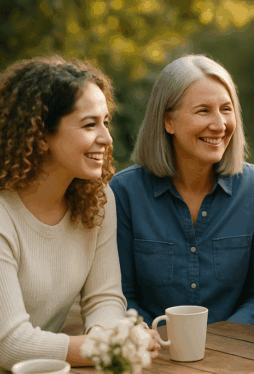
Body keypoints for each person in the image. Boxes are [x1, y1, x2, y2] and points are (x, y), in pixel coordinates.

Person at [0, 56, 159, 371]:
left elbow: (105, 300)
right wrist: (113, 346)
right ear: (41, 135)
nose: (107, 138)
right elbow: (10, 345)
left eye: (106, 121)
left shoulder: (97, 200)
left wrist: (104, 334)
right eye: (90, 124)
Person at [110, 54, 254, 327]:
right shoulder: (124, 192)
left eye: (226, 109)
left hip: (236, 357)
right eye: (203, 110)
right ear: (168, 121)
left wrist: (221, 344)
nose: (220, 125)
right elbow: (121, 297)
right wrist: (163, 338)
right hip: (154, 352)